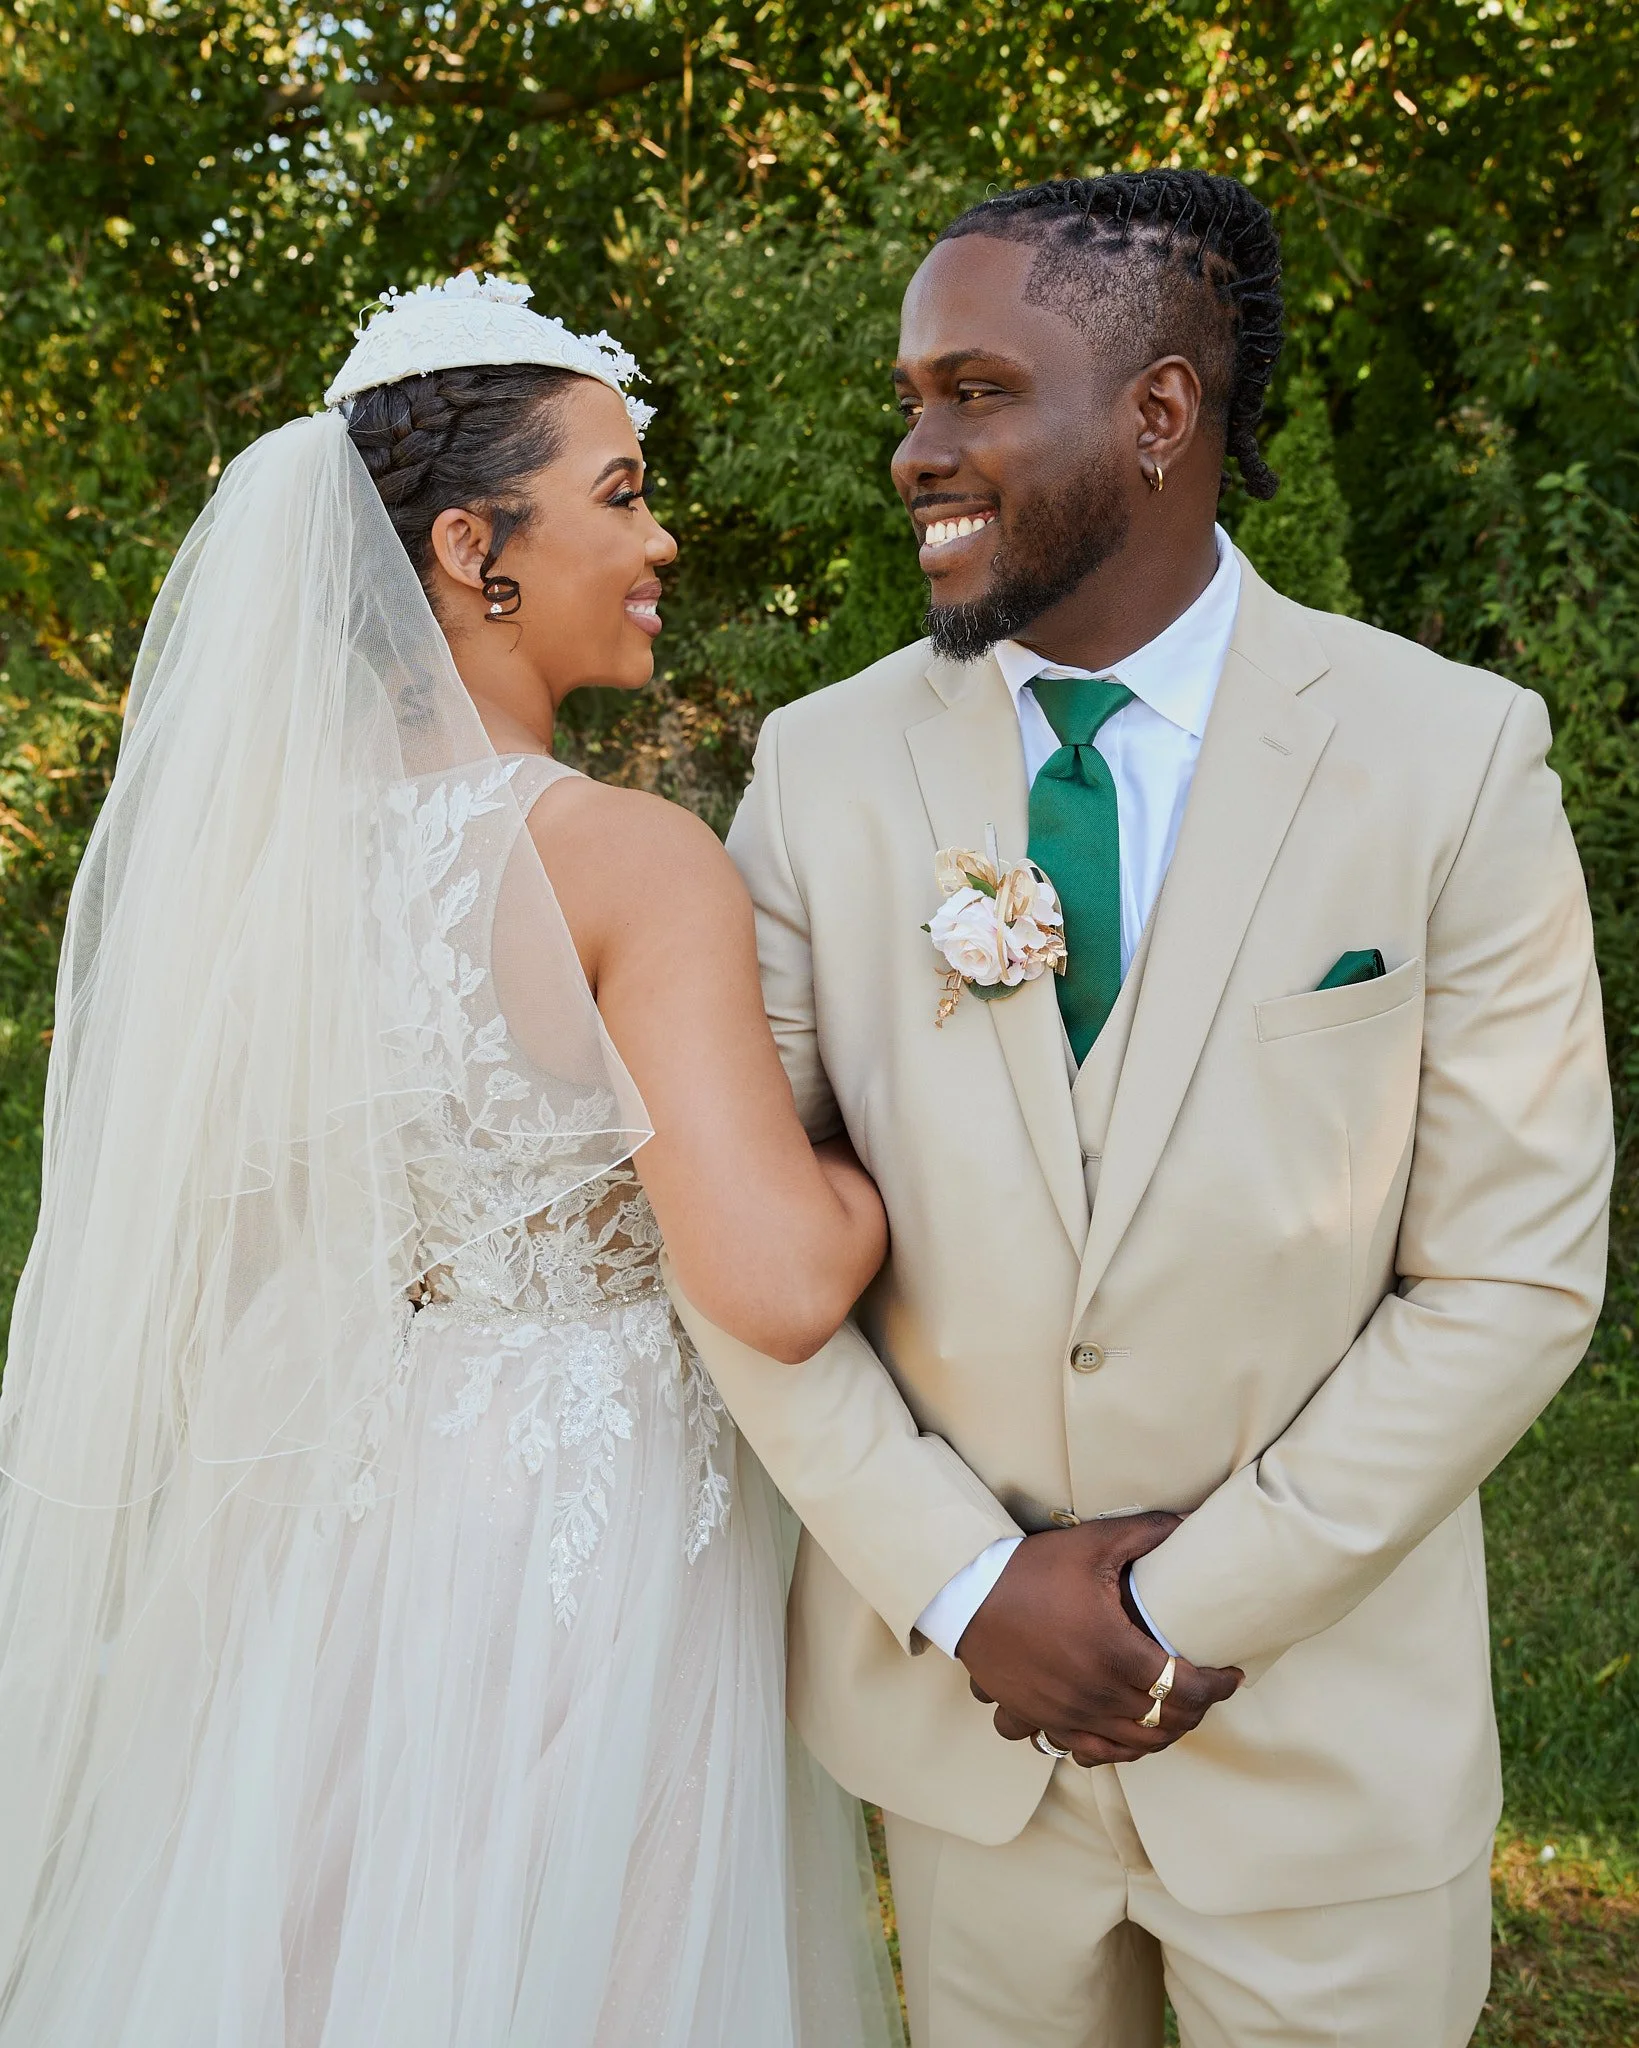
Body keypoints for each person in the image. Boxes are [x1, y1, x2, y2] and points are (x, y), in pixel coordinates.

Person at [668, 170, 1614, 2047]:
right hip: (965, 1752)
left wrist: (1181, 1612)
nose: (913, 449)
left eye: (972, 391)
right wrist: (962, 1584)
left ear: (1159, 413)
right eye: (911, 397)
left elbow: (1511, 1280)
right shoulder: (821, 770)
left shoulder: (1447, 755)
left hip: (1319, 1746)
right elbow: (730, 1237)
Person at [0, 276, 904, 2047]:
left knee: (332, 1931)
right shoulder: (627, 863)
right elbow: (781, 1282)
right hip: (584, 1517)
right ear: (473, 549)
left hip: (334, 1500)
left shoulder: (261, 856)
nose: (662, 540)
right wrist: (878, 1162)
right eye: (624, 494)